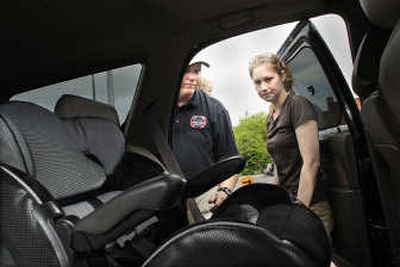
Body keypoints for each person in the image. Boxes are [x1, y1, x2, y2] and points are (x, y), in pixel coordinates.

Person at [248, 53, 334, 235]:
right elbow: (281, 166)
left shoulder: (297, 105)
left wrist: (299, 212)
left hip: (311, 205)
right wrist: (274, 199)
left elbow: (311, 163)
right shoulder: (271, 116)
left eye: (268, 79)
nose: (263, 87)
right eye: (257, 82)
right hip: (289, 202)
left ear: (282, 76)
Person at [173, 61, 239, 216]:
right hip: (165, 203)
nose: (192, 77)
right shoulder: (153, 109)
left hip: (204, 201)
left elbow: (229, 159)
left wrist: (224, 191)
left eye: (196, 71)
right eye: (185, 71)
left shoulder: (215, 109)